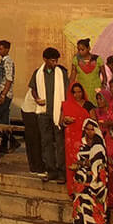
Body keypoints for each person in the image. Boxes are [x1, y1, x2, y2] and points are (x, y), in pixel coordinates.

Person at [28, 48, 70, 183]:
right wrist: (37, 98)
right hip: (43, 112)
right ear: (45, 60)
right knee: (46, 143)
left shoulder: (61, 72)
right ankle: (51, 170)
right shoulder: (38, 73)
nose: (55, 63)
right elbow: (33, 89)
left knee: (59, 144)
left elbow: (66, 93)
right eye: (53, 60)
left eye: (56, 60)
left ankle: (62, 172)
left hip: (57, 111)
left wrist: (63, 113)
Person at [70, 118, 110, 224]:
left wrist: (86, 173)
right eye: (87, 129)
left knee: (94, 220)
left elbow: (98, 169)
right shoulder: (81, 145)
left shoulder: (99, 147)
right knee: (81, 219)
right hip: (81, 191)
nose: (89, 132)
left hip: (94, 189)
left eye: (92, 129)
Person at [61, 81, 93, 196]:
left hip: (84, 139)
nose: (77, 95)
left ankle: (85, 189)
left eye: (79, 92)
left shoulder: (88, 105)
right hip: (71, 140)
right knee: (72, 163)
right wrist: (65, 121)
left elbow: (93, 122)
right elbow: (61, 122)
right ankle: (72, 189)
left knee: (83, 163)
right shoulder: (66, 105)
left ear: (83, 92)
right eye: (74, 92)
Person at [72, 39, 103, 103]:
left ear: (88, 48)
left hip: (95, 89)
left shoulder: (97, 59)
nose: (80, 52)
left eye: (82, 50)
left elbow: (104, 76)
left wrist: (102, 89)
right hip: (82, 90)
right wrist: (70, 89)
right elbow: (72, 76)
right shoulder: (76, 60)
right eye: (78, 50)